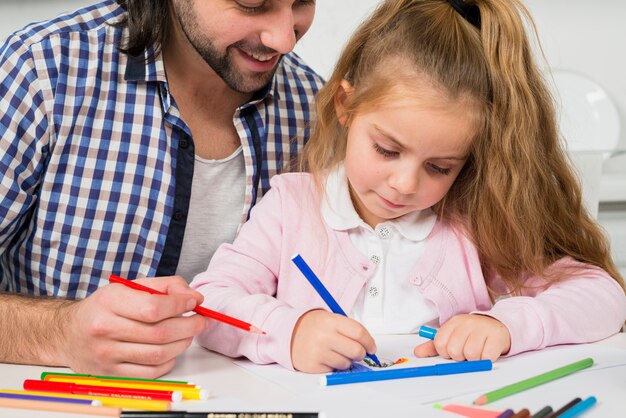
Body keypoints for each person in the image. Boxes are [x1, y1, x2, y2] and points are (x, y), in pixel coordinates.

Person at [190, 0, 626, 374]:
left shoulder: (471, 223)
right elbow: (211, 302)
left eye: (439, 166)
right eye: (387, 150)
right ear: (345, 105)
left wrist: (509, 325)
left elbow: (603, 296)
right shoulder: (291, 206)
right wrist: (289, 332)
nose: (404, 184)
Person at [0, 0, 323, 378]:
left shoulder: (312, 109)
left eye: (302, 2)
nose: (284, 39)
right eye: (251, 4)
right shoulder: (45, 70)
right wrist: (59, 333)